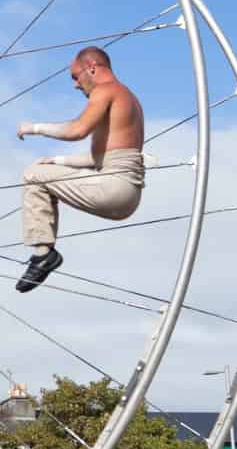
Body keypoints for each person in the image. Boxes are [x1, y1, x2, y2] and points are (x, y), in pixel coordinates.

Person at [13, 46, 145, 291]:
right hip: (127, 195)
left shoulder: (106, 90)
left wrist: (34, 128)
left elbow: (77, 130)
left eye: (75, 76)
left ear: (91, 68)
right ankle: (43, 255)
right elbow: (101, 157)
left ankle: (43, 255)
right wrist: (57, 162)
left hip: (114, 186)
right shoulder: (129, 98)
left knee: (32, 174)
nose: (75, 85)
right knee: (42, 171)